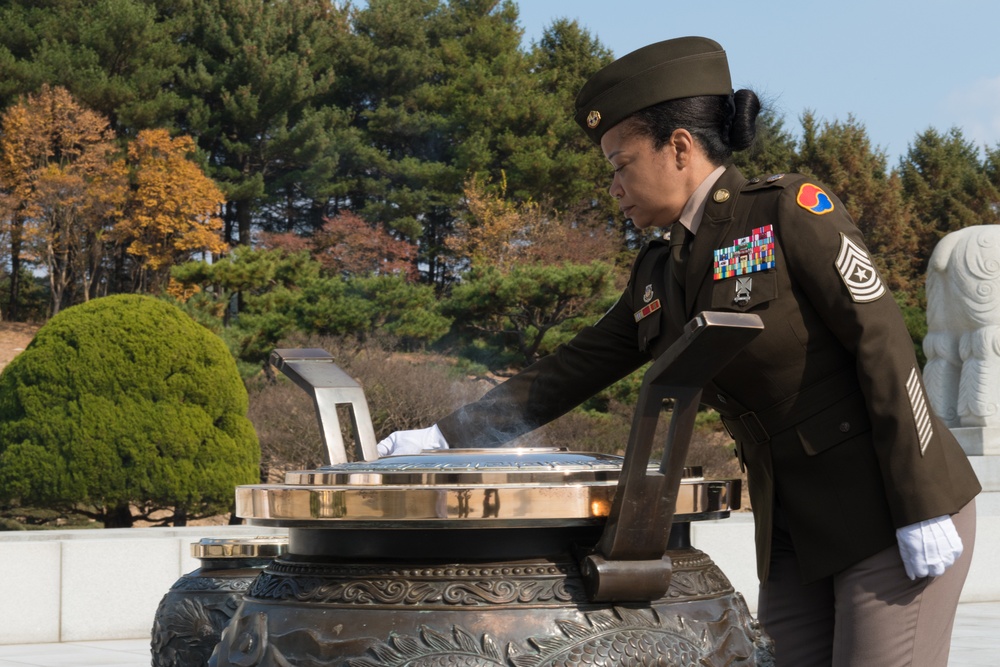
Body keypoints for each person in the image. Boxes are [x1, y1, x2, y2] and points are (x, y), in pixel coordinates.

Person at [376, 36, 980, 666]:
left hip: (887, 504)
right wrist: (447, 437)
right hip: (797, 526)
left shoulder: (786, 212)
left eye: (620, 163)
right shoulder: (660, 272)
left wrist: (921, 502)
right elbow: (571, 369)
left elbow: (883, 345)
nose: (613, 186)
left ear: (680, 148)